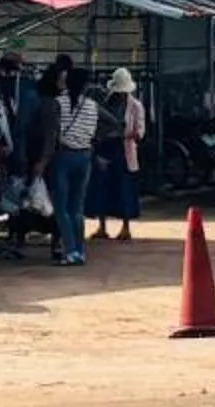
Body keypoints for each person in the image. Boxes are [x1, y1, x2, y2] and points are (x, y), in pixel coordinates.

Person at [48, 64, 102, 265]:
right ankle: (79, 251)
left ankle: (70, 251)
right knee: (77, 208)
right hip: (85, 157)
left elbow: (53, 132)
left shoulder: (58, 102)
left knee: (61, 208)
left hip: (64, 156)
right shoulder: (92, 105)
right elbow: (104, 126)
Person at [90, 66, 146, 242]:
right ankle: (102, 226)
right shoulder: (105, 104)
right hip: (105, 149)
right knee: (102, 188)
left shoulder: (135, 106)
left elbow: (140, 132)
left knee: (124, 190)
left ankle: (126, 227)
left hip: (124, 151)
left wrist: (123, 134)